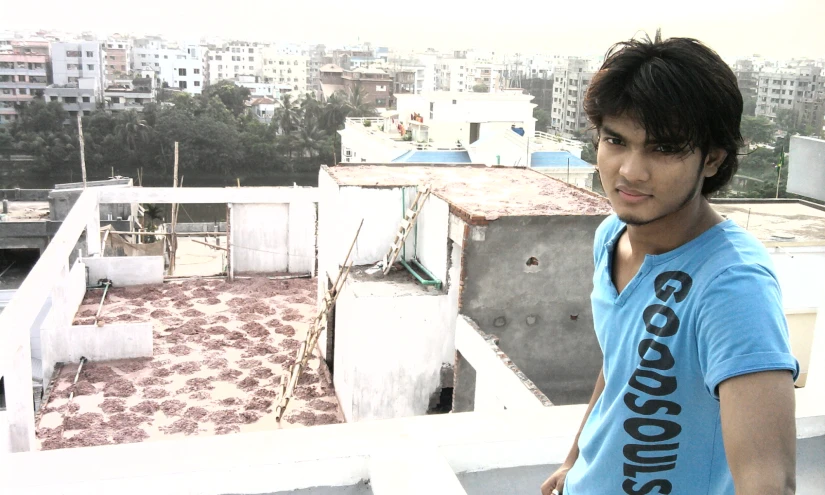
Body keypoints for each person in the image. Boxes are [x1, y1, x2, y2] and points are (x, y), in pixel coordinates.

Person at [541, 33, 799, 495]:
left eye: (663, 149)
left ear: (713, 159)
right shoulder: (610, 236)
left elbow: (769, 481)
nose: (631, 171)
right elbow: (623, 366)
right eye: (615, 140)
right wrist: (574, 462)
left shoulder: (732, 286)